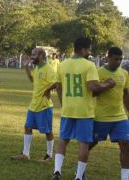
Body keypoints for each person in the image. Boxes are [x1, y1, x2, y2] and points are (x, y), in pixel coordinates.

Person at [52, 37, 116, 180]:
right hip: (84, 111)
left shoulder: (63, 64)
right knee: (84, 143)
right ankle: (79, 177)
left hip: (68, 110)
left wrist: (64, 103)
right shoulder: (88, 65)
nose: (89, 52)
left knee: (63, 140)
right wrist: (107, 84)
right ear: (83, 49)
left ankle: (57, 171)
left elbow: (58, 86)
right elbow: (93, 87)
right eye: (88, 49)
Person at [89, 47, 129, 180]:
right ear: (108, 58)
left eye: (120, 59)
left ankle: (125, 177)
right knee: (90, 143)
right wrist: (105, 85)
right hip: (101, 117)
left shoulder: (124, 74)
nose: (118, 61)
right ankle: (80, 169)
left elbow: (126, 95)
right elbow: (93, 93)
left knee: (126, 144)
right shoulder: (98, 72)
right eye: (115, 59)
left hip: (120, 117)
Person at [12, 48, 56, 162]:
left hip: (44, 105)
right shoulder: (37, 68)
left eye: (34, 54)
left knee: (47, 131)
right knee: (27, 127)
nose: (31, 57)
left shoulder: (48, 69)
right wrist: (26, 67)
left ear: (41, 55)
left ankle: (49, 155)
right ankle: (25, 154)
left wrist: (48, 90)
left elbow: (57, 82)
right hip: (34, 104)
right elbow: (33, 80)